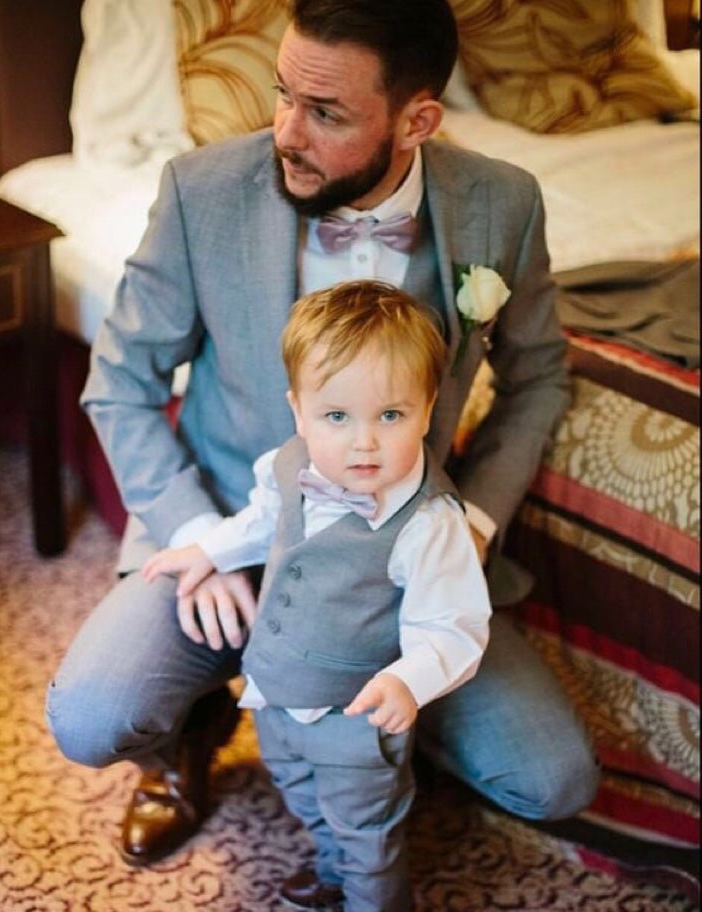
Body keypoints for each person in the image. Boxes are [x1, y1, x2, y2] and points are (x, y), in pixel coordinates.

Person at [46, 0, 600, 899]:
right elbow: (121, 385)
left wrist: (475, 524)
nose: (285, 133)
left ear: (417, 120)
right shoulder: (201, 190)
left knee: (551, 779)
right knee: (91, 718)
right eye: (281, 95)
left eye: (327, 113)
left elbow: (539, 378)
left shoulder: (502, 202)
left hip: (404, 561)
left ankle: (376, 750)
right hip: (233, 525)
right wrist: (200, 542)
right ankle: (190, 736)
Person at [142, 281, 492, 911]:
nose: (363, 442)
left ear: (429, 406)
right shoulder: (288, 462)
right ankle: (331, 868)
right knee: (298, 790)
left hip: (354, 717)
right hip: (274, 692)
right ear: (298, 411)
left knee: (368, 837)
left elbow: (453, 623)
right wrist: (208, 550)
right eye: (337, 417)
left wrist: (409, 681)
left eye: (391, 415)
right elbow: (258, 522)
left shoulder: (429, 520)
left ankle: (364, 890)